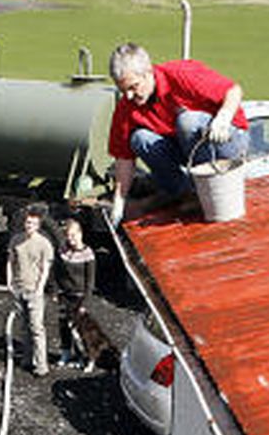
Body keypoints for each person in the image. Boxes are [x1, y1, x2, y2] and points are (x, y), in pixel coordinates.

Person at [106, 42, 249, 223]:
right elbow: (124, 158)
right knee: (140, 139)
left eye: (134, 87)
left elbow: (233, 90)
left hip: (226, 141)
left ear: (148, 72)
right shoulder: (126, 108)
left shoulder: (181, 75)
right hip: (188, 149)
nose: (129, 96)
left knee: (186, 121)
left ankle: (209, 189)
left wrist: (223, 117)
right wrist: (120, 200)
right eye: (123, 90)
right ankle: (187, 194)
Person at [6, 206, 54, 376]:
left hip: (34, 290)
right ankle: (27, 360)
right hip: (19, 288)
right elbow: (11, 261)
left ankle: (41, 366)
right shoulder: (16, 240)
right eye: (27, 222)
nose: (29, 225)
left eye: (32, 223)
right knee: (24, 327)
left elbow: (45, 268)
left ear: (38, 225)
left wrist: (40, 288)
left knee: (37, 328)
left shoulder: (44, 244)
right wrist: (9, 281)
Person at [53, 218, 96, 367]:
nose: (71, 239)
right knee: (64, 326)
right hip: (65, 296)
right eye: (68, 236)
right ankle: (66, 354)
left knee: (81, 331)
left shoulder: (88, 254)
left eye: (73, 235)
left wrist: (85, 303)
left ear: (80, 234)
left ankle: (86, 358)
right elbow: (56, 273)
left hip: (79, 297)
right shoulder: (62, 251)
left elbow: (90, 282)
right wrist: (55, 291)